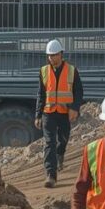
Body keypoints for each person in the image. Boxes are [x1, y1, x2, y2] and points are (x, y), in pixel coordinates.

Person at [34, 38, 83, 188]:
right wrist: (37, 115)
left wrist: (74, 108)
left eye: (55, 55)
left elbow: (78, 91)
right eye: (50, 55)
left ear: (61, 54)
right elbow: (41, 94)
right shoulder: (43, 71)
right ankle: (51, 175)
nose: (52, 58)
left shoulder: (72, 71)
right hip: (48, 112)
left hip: (64, 112)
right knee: (49, 143)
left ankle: (60, 155)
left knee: (63, 139)